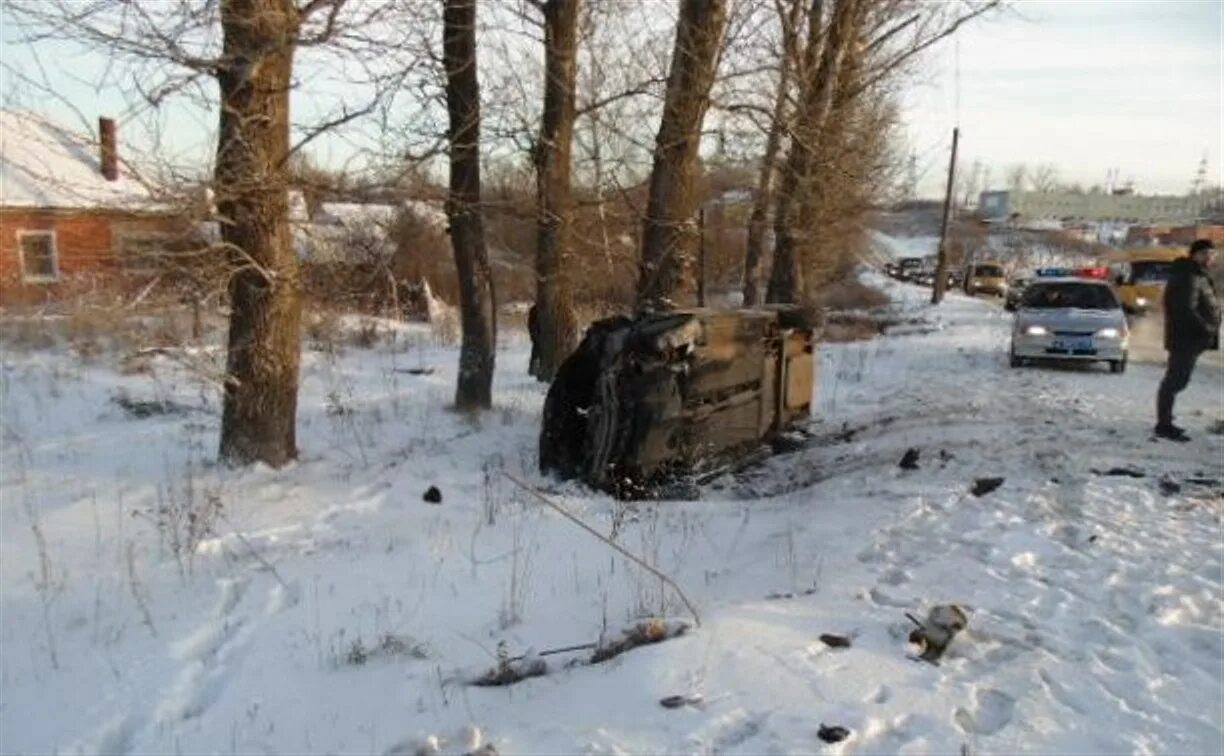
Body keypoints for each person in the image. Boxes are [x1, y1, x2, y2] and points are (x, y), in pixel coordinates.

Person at [1155, 238, 1220, 441]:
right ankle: (1163, 425)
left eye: (1212, 254)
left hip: (1190, 338)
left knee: (1178, 380)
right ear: (1196, 254)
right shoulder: (1188, 276)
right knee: (1175, 380)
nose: (1210, 258)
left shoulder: (1196, 275)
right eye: (1207, 253)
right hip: (1186, 338)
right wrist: (1206, 327)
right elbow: (1185, 309)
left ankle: (1165, 422)